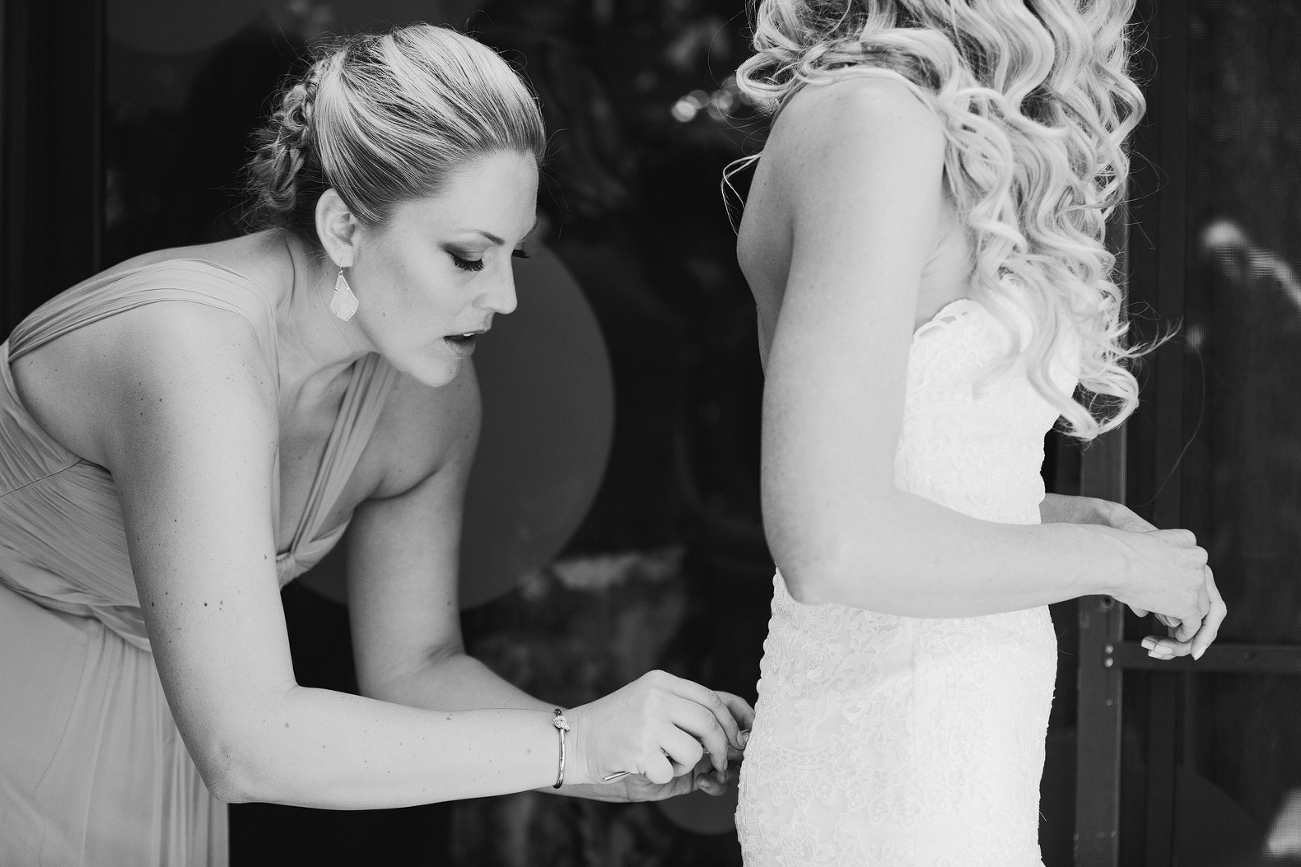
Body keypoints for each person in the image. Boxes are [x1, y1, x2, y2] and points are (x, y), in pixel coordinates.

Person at [0, 24, 751, 867]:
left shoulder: (424, 397)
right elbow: (245, 742)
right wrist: (570, 743)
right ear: (344, 228)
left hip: (172, 745)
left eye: (517, 254)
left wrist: (608, 763)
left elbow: (418, 669)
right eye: (467, 257)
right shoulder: (190, 349)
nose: (503, 297)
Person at [728, 1, 1225, 863]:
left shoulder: (913, 122)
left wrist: (1079, 524)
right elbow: (831, 542)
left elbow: (911, 482)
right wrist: (1120, 567)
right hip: (886, 769)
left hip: (954, 763)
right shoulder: (870, 120)